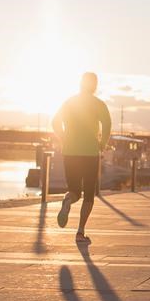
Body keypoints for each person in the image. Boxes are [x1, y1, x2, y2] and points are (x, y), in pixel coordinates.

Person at [52, 72, 112, 243]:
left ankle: (68, 200)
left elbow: (55, 122)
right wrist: (102, 144)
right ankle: (80, 232)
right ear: (95, 85)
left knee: (75, 191)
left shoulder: (69, 102)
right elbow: (107, 124)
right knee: (89, 195)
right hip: (90, 153)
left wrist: (64, 138)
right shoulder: (98, 104)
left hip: (70, 152)